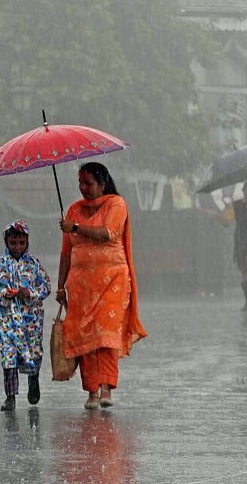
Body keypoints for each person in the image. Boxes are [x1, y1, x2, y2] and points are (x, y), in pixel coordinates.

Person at [56, 162, 147, 410]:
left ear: (102, 183)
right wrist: (60, 286)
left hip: (112, 282)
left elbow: (108, 233)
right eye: (80, 183)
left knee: (106, 335)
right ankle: (92, 391)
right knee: (85, 335)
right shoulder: (73, 210)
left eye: (89, 183)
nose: (83, 188)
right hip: (81, 286)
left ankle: (106, 388)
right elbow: (66, 253)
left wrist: (74, 227)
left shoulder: (116, 204)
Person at [0, 220, 51, 411]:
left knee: (34, 352)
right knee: (9, 356)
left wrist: (30, 293)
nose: (17, 247)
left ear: (27, 242)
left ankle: (33, 379)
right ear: (6, 242)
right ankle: (10, 396)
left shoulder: (34, 264)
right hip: (8, 321)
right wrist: (3, 294)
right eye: (13, 243)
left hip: (32, 321)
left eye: (21, 243)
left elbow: (46, 286)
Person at [218, 180, 247, 310]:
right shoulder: (236, 205)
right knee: (243, 271)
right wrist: (219, 216)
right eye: (245, 190)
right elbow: (227, 222)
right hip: (240, 240)